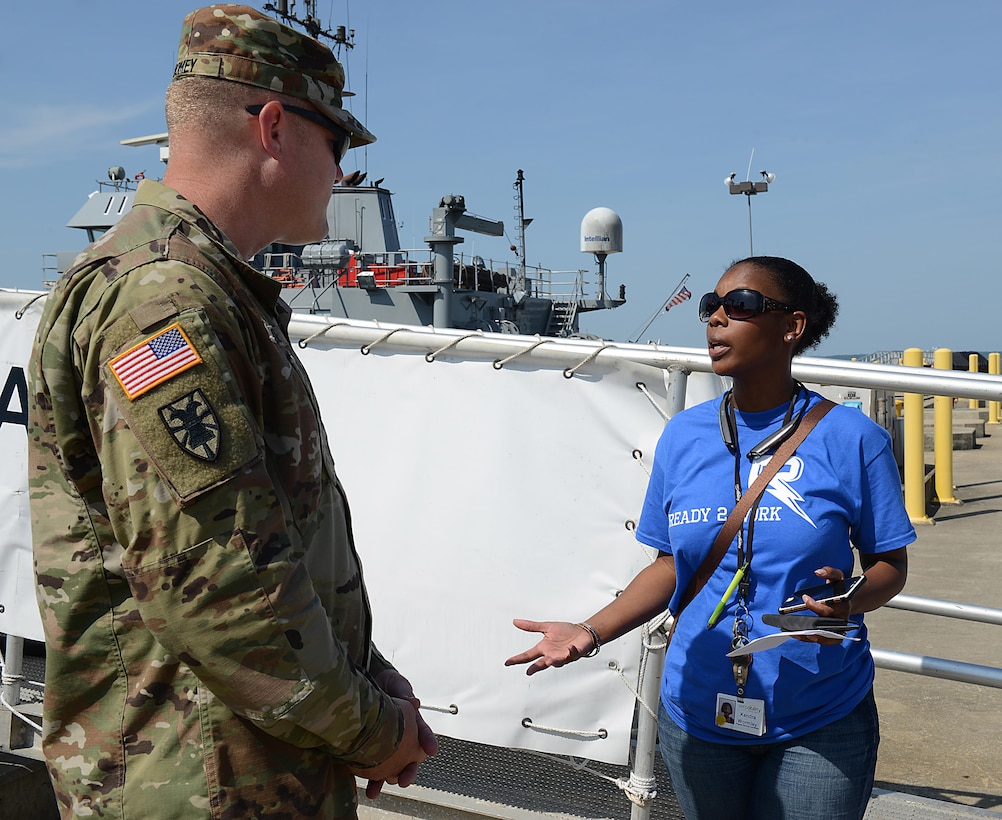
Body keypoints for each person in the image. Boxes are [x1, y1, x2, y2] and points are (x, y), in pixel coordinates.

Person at [27, 5, 436, 818]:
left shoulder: (205, 290)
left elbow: (267, 540)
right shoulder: (167, 298)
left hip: (231, 768)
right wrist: (372, 730)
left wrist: (368, 672)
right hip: (200, 783)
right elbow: (221, 589)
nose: (344, 174)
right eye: (338, 143)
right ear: (275, 128)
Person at [506, 256, 913, 820]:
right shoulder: (684, 436)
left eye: (739, 306)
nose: (716, 319)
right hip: (699, 707)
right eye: (711, 306)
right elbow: (670, 564)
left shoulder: (853, 439)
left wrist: (849, 601)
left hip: (819, 712)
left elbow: (890, 563)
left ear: (792, 326)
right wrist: (588, 632)